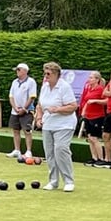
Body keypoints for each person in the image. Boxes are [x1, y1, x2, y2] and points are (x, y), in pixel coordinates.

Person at [35, 62, 78, 191]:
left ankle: (69, 181)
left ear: (56, 74)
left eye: (48, 73)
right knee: (49, 153)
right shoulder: (44, 87)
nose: (45, 76)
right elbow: (40, 105)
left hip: (65, 124)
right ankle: (53, 181)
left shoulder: (64, 86)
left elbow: (73, 106)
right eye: (45, 73)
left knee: (61, 150)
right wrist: (38, 117)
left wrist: (58, 109)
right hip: (48, 124)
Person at [6, 63, 38, 159]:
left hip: (27, 111)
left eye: (19, 70)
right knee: (15, 130)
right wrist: (15, 107)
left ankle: (28, 151)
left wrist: (24, 108)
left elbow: (32, 96)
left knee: (27, 131)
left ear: (25, 71)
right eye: (17, 70)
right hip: (15, 110)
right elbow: (11, 96)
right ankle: (17, 150)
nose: (17, 71)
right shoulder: (14, 82)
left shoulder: (31, 82)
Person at [78, 71, 107, 167]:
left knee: (94, 138)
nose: (89, 79)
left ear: (97, 79)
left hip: (97, 116)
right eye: (89, 77)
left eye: (91, 78)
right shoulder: (89, 88)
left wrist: (95, 100)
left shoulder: (100, 89)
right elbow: (87, 101)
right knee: (90, 138)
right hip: (88, 115)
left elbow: (106, 101)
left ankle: (101, 158)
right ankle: (94, 157)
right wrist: (84, 112)